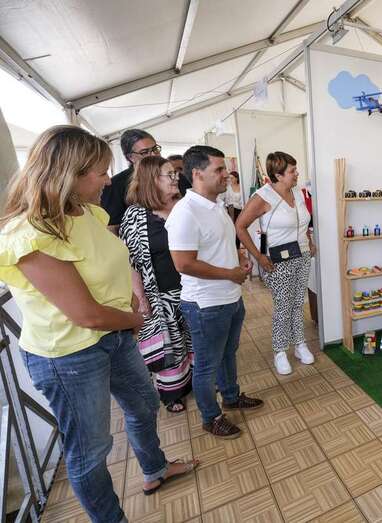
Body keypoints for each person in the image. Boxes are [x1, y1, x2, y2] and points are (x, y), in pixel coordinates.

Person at [0, 126, 197, 522]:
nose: (109, 180)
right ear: (69, 174)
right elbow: (86, 314)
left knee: (144, 404)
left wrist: (131, 297)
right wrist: (135, 318)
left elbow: (116, 260)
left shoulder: (87, 211)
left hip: (115, 335)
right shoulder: (29, 233)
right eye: (101, 172)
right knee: (91, 450)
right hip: (70, 355)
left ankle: (155, 469)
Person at [166, 145, 263, 439]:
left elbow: (221, 244)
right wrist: (230, 274)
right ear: (197, 174)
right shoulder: (186, 212)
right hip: (206, 304)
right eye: (218, 169)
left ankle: (231, 396)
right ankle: (211, 417)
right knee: (207, 366)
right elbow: (183, 263)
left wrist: (239, 258)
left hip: (230, 297)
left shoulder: (216, 205)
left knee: (228, 353)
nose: (226, 175)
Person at [120, 156, 192, 414]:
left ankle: (199, 380)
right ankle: (173, 392)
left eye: (176, 173)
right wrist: (140, 298)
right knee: (169, 346)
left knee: (194, 340)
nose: (176, 178)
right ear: (151, 180)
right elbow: (130, 262)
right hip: (159, 295)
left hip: (192, 289)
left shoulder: (184, 206)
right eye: (169, 175)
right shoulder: (135, 216)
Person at [236, 152, 316, 376]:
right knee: (283, 306)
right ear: (278, 175)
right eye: (292, 171)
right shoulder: (263, 196)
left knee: (298, 302)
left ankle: (299, 344)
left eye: (295, 169)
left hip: (302, 255)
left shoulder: (297, 192)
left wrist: (309, 242)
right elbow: (240, 226)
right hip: (277, 261)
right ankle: (280, 351)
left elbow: (302, 222)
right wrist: (258, 257)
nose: (297, 173)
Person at [100, 129, 160, 234]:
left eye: (155, 149)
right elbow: (112, 228)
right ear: (130, 157)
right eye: (144, 152)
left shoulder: (174, 176)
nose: (153, 155)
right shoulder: (115, 185)